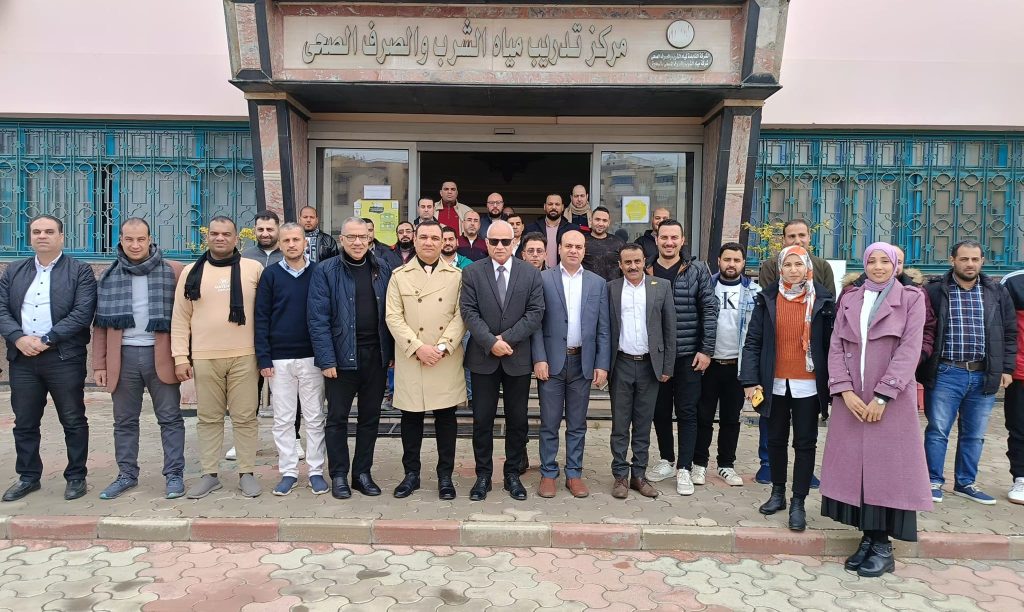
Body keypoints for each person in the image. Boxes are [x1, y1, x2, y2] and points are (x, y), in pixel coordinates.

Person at [821, 242, 931, 577]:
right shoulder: (851, 298)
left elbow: (910, 350)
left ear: (897, 265)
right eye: (872, 260)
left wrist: (883, 395)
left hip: (889, 402)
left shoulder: (911, 299)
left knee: (887, 472)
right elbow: (836, 346)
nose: (878, 267)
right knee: (856, 471)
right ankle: (868, 538)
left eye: (886, 261)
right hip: (853, 400)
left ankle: (883, 546)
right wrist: (844, 391)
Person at [0, 215, 96, 502]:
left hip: (64, 358)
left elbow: (82, 313)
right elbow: (1, 309)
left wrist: (46, 339)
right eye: (37, 231)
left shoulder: (80, 271)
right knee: (25, 421)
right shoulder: (14, 271)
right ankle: (28, 477)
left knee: (73, 419)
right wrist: (18, 338)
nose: (42, 236)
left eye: (49, 231)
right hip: (22, 358)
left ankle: (76, 476)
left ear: (61, 237)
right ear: (30, 237)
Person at [740, 245, 833, 531]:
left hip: (809, 385)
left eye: (798, 264)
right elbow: (753, 342)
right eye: (788, 265)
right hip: (775, 384)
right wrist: (749, 380)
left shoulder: (823, 301)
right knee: (776, 441)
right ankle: (778, 493)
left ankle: (798, 502)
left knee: (805, 443)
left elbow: (832, 345)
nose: (793, 270)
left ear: (808, 267)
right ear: (780, 268)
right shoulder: (767, 299)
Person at [92, 218, 185, 500]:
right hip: (123, 357)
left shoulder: (173, 271)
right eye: (129, 239)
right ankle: (126, 475)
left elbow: (186, 318)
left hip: (162, 354)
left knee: (170, 418)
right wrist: (99, 364)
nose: (135, 245)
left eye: (141, 239)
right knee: (124, 421)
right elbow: (100, 325)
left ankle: (174, 475)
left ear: (150, 239)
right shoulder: (108, 276)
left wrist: (184, 357)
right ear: (120, 240)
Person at [171, 216, 264, 499]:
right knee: (208, 418)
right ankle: (209, 474)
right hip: (204, 356)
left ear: (237, 239)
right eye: (214, 234)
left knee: (245, 417)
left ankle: (246, 472)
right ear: (207, 237)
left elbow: (265, 314)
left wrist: (265, 355)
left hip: (245, 356)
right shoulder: (191, 272)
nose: (220, 238)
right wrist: (180, 356)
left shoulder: (253, 268)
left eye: (226, 234)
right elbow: (180, 317)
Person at [920, 240, 1017, 505]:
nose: (970, 264)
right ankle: (932, 481)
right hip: (945, 372)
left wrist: (1006, 368)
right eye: (964, 259)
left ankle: (965, 483)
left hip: (983, 374)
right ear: (952, 260)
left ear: (982, 261)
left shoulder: (997, 292)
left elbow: (1010, 333)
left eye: (975, 259)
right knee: (938, 430)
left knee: (974, 434)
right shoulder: (934, 290)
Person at [308, 217, 394, 499]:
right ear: (341, 239)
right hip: (341, 358)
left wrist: (391, 352)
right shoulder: (325, 270)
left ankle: (362, 474)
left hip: (376, 357)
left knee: (370, 418)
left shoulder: (383, 268)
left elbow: (393, 313)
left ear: (370, 239)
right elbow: (317, 319)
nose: (358, 242)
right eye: (351, 237)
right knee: (337, 419)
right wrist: (326, 359)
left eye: (363, 237)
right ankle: (339, 475)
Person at [461, 220, 544, 501]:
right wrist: (490, 342)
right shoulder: (472, 272)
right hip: (483, 358)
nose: (499, 246)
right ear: (486, 243)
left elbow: (535, 312)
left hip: (516, 358)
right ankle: (483, 475)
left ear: (514, 243)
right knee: (482, 420)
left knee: (517, 420)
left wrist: (505, 340)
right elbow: (468, 311)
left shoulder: (530, 273)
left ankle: (512, 474)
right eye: (494, 241)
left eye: (505, 242)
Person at [385, 220, 466, 500]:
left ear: (443, 242)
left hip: (444, 357)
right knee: (411, 418)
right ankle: (411, 474)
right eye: (424, 237)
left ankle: (445, 476)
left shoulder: (456, 276)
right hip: (413, 357)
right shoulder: (399, 275)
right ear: (415, 240)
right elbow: (393, 316)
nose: (429, 242)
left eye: (434, 237)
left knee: (446, 419)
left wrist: (442, 347)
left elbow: (462, 315)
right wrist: (418, 347)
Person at [532, 230, 610, 498]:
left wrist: (602, 364)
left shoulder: (598, 283)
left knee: (577, 424)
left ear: (584, 250)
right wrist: (539, 358)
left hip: (582, 362)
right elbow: (536, 325)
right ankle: (548, 473)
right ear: (559, 248)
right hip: (552, 363)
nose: (573, 250)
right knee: (549, 422)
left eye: (578, 246)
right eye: (569, 246)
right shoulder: (543, 279)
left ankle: (574, 474)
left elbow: (603, 328)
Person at [643, 219, 718, 496]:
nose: (669, 242)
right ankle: (667, 459)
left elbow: (709, 310)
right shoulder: (646, 269)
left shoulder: (697, 271)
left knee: (687, 411)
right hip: (657, 355)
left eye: (674, 237)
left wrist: (706, 349)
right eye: (664, 237)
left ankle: (685, 467)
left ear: (683, 240)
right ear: (656, 239)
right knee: (660, 411)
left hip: (688, 355)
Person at [255, 222, 328, 497]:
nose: (292, 244)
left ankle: (316, 471)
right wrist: (264, 358)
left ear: (305, 242)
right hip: (279, 359)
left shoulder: (319, 272)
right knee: (283, 419)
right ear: (280, 244)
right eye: (286, 240)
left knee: (314, 417)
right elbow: (261, 317)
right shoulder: (271, 275)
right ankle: (288, 472)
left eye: (296, 239)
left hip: (312, 357)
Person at [607, 245, 676, 499]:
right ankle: (620, 476)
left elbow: (670, 328)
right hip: (621, 364)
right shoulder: (611, 288)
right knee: (620, 424)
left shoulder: (661, 286)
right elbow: (605, 328)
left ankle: (639, 475)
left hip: (650, 366)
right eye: (627, 262)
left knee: (643, 424)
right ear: (620, 264)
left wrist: (667, 366)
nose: (633, 266)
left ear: (644, 261)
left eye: (637, 261)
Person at [693, 243, 760, 488]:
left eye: (737, 260)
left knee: (731, 418)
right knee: (703, 417)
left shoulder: (755, 292)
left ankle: (726, 465)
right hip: (707, 364)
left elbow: (758, 334)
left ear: (743, 263)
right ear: (719, 261)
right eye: (727, 259)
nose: (732, 264)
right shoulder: (704, 287)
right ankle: (699, 464)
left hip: (737, 366)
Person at [757, 218, 836, 297]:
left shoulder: (822, 266)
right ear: (783, 240)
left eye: (802, 235)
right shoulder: (771, 266)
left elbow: (830, 300)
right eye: (792, 236)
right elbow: (766, 299)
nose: (797, 241)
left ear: (809, 237)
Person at [1001, 268, 1024, 504]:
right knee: (1019, 428)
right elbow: (1003, 326)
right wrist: (1006, 367)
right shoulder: (1014, 282)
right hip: (1020, 372)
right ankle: (1021, 477)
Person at [524, 194, 578, 269]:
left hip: (563, 272)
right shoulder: (532, 228)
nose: (553, 207)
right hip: (536, 272)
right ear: (544, 206)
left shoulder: (572, 229)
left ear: (562, 207)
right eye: (550, 204)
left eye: (557, 204)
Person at [582, 206, 624, 282]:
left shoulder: (618, 242)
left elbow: (624, 267)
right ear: (590, 220)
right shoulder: (581, 241)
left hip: (612, 287)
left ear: (609, 223)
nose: (601, 224)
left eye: (604, 220)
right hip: (588, 286)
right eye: (597, 219)